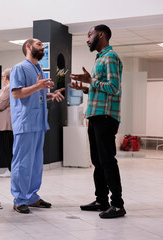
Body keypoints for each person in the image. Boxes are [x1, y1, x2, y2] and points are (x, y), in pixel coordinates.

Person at [70, 24, 125, 219]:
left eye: (89, 34)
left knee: (107, 161)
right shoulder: (100, 58)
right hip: (95, 116)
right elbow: (102, 90)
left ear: (100, 35)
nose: (87, 39)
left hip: (106, 117)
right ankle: (101, 201)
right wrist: (85, 88)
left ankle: (117, 205)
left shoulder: (110, 57)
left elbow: (114, 87)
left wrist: (91, 81)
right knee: (97, 161)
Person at [10, 38, 65, 214]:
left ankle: (32, 197)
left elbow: (36, 95)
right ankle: (19, 199)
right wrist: (36, 86)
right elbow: (17, 94)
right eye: (40, 45)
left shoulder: (39, 68)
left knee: (35, 164)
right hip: (25, 122)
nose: (43, 48)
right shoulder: (19, 68)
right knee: (22, 163)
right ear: (28, 46)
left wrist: (49, 95)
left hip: (39, 122)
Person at [0, 68, 13, 178]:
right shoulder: (6, 88)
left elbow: (0, 105)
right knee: (9, 146)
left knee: (8, 147)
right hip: (8, 122)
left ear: (5, 78)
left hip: (7, 122)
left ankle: (10, 169)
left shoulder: (8, 88)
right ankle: (11, 169)